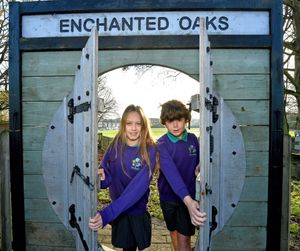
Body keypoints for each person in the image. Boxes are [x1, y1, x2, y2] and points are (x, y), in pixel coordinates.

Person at [89, 105, 158, 251]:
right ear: (123, 125)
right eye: (129, 123)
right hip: (120, 210)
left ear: (144, 125)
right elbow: (107, 174)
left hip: (136, 211)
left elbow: (137, 188)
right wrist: (102, 178)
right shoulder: (115, 145)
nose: (133, 128)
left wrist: (107, 214)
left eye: (138, 124)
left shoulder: (149, 149)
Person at [157, 99, 206, 251]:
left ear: (186, 119)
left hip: (188, 198)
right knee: (174, 232)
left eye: (179, 119)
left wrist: (200, 164)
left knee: (184, 239)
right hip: (168, 197)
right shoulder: (161, 144)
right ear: (164, 122)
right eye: (170, 121)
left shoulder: (193, 140)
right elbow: (172, 175)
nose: (175, 125)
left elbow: (201, 161)